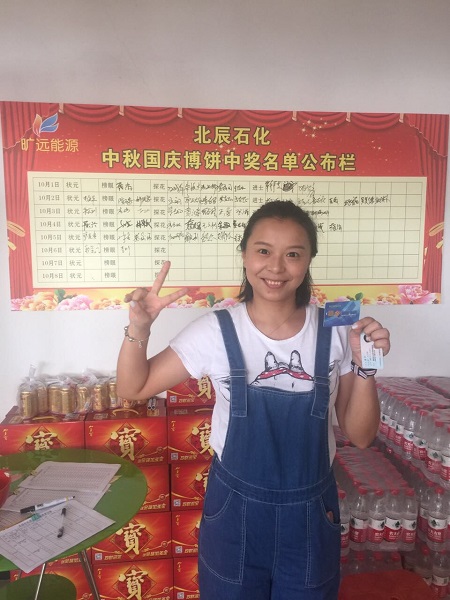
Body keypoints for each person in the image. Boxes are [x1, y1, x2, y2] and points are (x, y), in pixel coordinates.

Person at [116, 200, 391, 600]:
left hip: (311, 516)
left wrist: (367, 368)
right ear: (244, 255)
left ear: (308, 260)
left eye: (292, 254)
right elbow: (133, 388)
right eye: (263, 251)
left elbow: (361, 435)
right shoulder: (214, 330)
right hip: (234, 514)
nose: (276, 267)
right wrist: (139, 327)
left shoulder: (336, 327)